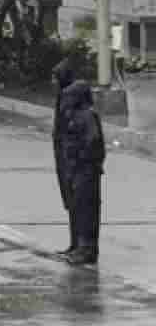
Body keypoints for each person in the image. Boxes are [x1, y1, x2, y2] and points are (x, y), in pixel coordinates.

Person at [60, 80, 105, 266]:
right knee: (78, 207)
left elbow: (93, 141)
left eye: (71, 96)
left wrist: (81, 157)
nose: (68, 100)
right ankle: (80, 247)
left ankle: (87, 250)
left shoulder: (88, 115)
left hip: (86, 169)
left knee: (87, 210)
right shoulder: (75, 114)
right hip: (76, 168)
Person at [51, 59, 78, 255]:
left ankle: (80, 244)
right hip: (62, 155)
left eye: (55, 77)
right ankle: (74, 243)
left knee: (77, 202)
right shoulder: (61, 96)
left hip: (70, 157)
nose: (53, 82)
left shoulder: (72, 99)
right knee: (69, 201)